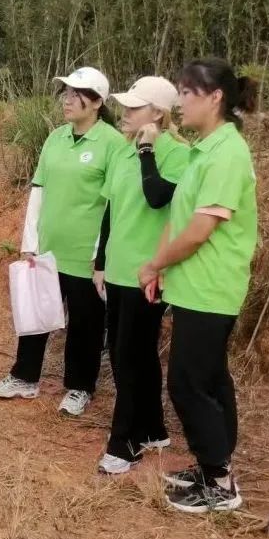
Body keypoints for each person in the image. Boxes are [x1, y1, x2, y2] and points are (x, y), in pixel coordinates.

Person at [139, 59, 258, 513]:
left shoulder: (228, 153)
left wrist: (153, 263)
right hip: (192, 284)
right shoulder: (203, 149)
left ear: (216, 98)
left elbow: (200, 230)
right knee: (210, 378)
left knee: (188, 383)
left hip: (212, 285)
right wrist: (162, 271)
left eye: (189, 92)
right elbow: (179, 217)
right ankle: (215, 466)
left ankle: (220, 484)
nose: (181, 100)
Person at [0, 67, 125, 416]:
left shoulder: (112, 143)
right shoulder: (55, 138)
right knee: (35, 315)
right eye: (65, 92)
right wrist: (29, 241)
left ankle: (80, 387)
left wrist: (102, 258)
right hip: (48, 250)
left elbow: (114, 205)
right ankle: (24, 377)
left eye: (76, 93)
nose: (67, 99)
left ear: (97, 102)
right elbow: (39, 190)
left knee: (86, 325)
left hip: (86, 254)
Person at [94, 77, 189, 474]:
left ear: (158, 114)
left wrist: (149, 148)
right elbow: (112, 210)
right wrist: (99, 262)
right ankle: (152, 428)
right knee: (128, 351)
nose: (124, 113)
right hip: (117, 270)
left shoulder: (177, 154)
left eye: (134, 108)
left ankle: (125, 443)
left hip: (147, 272)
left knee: (130, 355)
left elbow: (157, 198)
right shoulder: (123, 152)